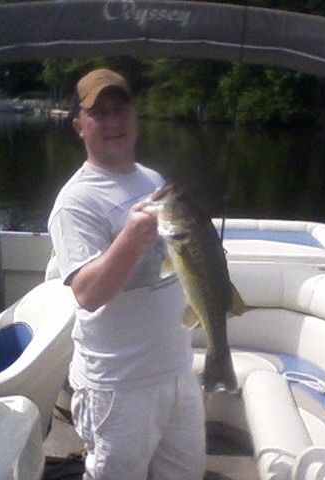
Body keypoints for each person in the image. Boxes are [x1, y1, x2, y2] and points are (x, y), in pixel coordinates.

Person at [47, 68, 206, 480]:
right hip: (119, 388)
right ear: (80, 125)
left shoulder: (152, 180)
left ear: (136, 117)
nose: (113, 123)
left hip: (176, 371)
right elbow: (87, 294)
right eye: (100, 113)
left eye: (121, 110)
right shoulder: (75, 202)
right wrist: (131, 239)